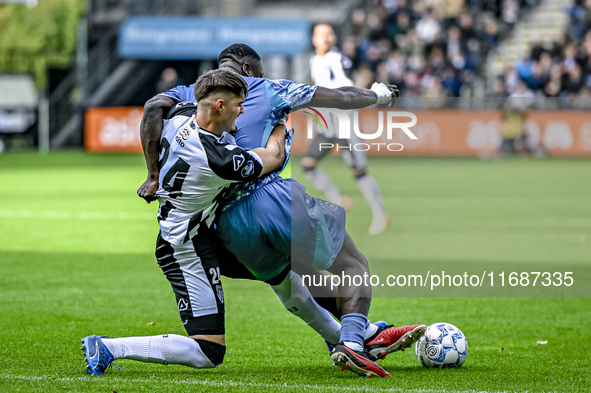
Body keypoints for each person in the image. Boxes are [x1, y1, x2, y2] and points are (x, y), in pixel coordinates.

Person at [138, 44, 425, 378]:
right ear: (248, 70)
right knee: (353, 265)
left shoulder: (193, 92)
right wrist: (376, 95)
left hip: (227, 224)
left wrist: (153, 175)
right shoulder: (270, 88)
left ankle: (362, 334)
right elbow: (340, 96)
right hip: (268, 197)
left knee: (294, 276)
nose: (244, 103)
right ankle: (353, 343)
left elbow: (153, 107)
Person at [81, 69, 290, 375]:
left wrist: (152, 174)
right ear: (219, 105)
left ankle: (347, 335)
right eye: (239, 104)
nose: (243, 110)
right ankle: (109, 348)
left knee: (283, 269)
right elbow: (273, 157)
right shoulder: (220, 158)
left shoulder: (180, 115)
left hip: (202, 233)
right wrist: (281, 121)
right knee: (209, 350)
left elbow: (153, 110)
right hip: (185, 247)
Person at [303, 24, 390, 235]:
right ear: (314, 39)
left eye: (329, 34)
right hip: (327, 124)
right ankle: (338, 199)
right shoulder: (315, 60)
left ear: (333, 38)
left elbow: (346, 81)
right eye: (321, 34)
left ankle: (381, 214)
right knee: (308, 165)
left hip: (344, 121)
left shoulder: (337, 59)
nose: (325, 38)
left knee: (358, 171)